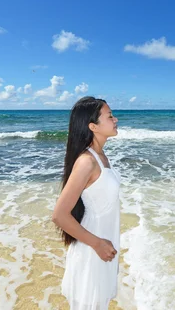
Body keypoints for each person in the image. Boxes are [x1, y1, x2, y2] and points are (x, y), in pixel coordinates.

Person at [52, 96, 121, 310]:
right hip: (93, 246)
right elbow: (60, 215)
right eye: (109, 116)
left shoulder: (101, 157)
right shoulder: (87, 161)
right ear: (93, 126)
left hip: (103, 244)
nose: (115, 119)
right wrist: (98, 243)